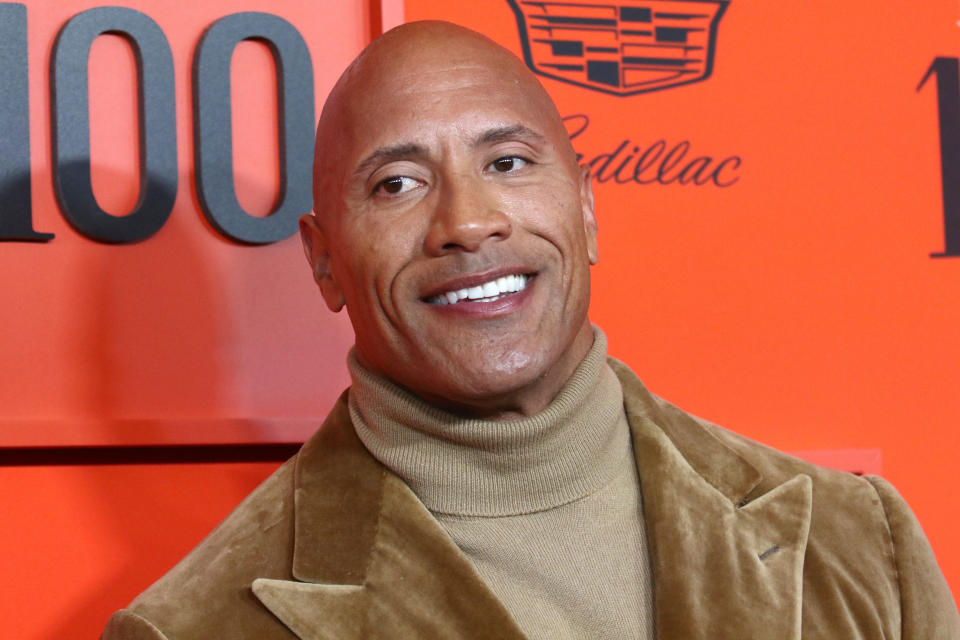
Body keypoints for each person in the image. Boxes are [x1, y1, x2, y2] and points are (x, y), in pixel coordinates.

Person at [102, 20, 960, 640]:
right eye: (397, 184)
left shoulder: (860, 542)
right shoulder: (198, 626)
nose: (468, 224)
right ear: (323, 261)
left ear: (586, 210)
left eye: (507, 164)